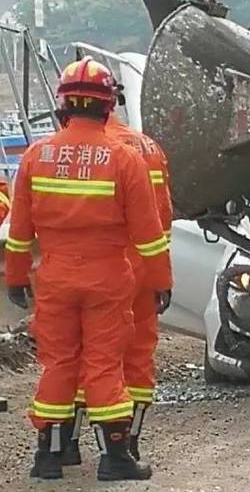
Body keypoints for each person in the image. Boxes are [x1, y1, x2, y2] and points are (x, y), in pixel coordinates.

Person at [4, 57, 172, 482]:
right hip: (108, 279)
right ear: (107, 105)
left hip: (55, 279)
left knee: (59, 364)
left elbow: (19, 232)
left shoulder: (36, 155)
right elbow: (151, 234)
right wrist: (160, 281)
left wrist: (16, 278)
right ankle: (116, 458)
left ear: (62, 105)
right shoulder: (126, 157)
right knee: (103, 364)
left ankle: (49, 456)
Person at [64, 108, 173, 464]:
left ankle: (69, 444)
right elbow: (164, 219)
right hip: (143, 267)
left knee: (88, 355)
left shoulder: (92, 150)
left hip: (102, 269)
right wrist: (160, 275)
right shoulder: (150, 147)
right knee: (139, 357)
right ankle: (130, 442)